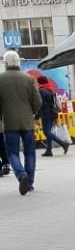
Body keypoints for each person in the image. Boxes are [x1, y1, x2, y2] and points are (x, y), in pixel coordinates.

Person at [0, 50, 41, 195]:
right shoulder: (28, 79)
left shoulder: (1, 79)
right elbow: (38, 102)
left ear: (5, 63)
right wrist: (33, 112)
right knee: (30, 153)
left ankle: (21, 174)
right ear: (18, 62)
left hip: (9, 123)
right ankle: (29, 183)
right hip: (27, 123)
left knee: (12, 153)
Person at [36, 76, 69, 157]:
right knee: (49, 132)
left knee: (46, 132)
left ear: (39, 82)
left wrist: (37, 115)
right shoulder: (49, 89)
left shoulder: (41, 91)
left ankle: (63, 143)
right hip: (52, 113)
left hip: (46, 113)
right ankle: (49, 150)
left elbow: (41, 104)